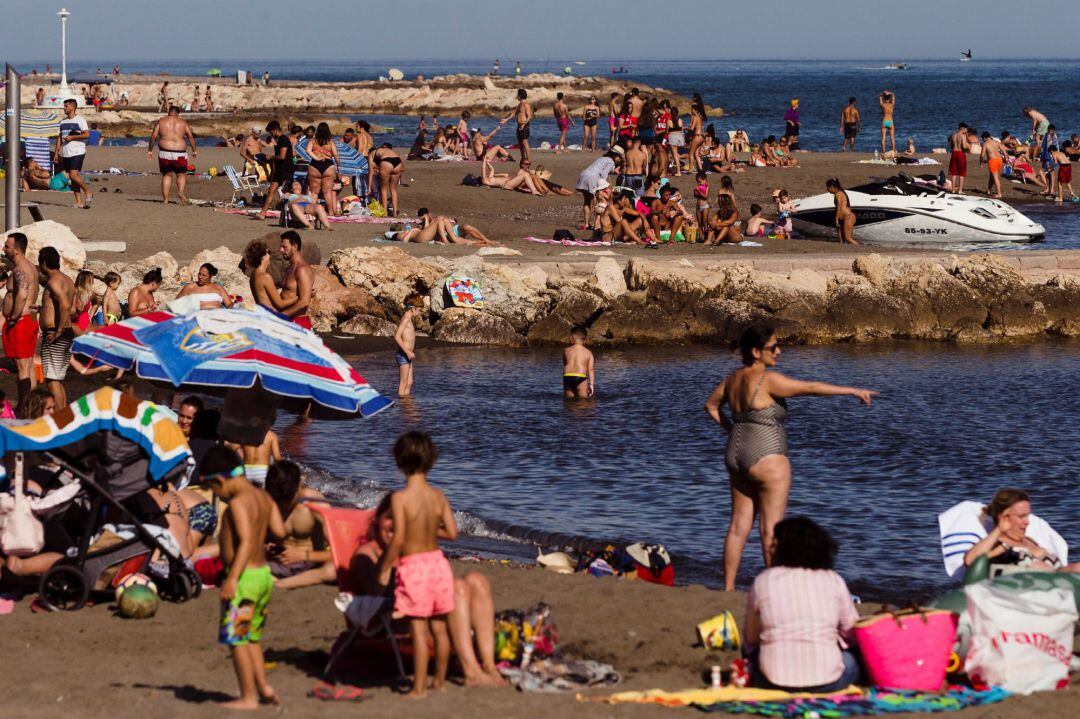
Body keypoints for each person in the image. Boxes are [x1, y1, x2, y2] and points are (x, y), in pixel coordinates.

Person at [704, 325, 877, 591]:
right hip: (767, 457)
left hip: (735, 454)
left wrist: (733, 430)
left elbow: (711, 406)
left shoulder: (732, 379)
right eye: (773, 347)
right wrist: (851, 390)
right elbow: (810, 387)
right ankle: (771, 589)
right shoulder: (767, 379)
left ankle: (728, 588)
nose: (779, 351)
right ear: (756, 352)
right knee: (770, 530)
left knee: (738, 526)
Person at [353, 494, 505, 686]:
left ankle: (489, 666)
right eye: (390, 517)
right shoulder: (366, 554)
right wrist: (390, 557)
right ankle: (471, 671)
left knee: (477, 580)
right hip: (396, 625)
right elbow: (375, 593)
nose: (394, 525)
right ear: (377, 519)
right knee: (457, 587)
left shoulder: (408, 553)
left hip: (425, 618)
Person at [198, 445, 285, 709]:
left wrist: (232, 578)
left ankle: (248, 697)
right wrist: (267, 542)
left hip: (244, 580)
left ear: (219, 480)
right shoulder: (263, 497)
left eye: (214, 490)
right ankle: (263, 687)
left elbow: (246, 541)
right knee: (252, 637)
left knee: (237, 638)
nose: (218, 496)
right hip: (262, 577)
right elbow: (279, 531)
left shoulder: (237, 503)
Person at [376, 432, 458, 699]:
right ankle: (439, 681)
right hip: (438, 563)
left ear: (399, 461)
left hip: (414, 566)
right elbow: (452, 533)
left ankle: (419, 687)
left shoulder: (400, 499)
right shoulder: (438, 495)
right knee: (439, 628)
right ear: (431, 461)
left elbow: (398, 538)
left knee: (419, 630)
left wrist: (385, 567)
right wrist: (428, 531)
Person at [744, 518, 861, 692]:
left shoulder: (764, 581)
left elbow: (751, 638)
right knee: (853, 659)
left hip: (772, 682)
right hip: (827, 682)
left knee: (753, 653)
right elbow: (852, 633)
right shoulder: (833, 580)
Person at [263, 460, 333, 587]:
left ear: (300, 486)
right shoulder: (268, 501)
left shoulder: (313, 504)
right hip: (275, 565)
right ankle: (281, 582)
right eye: (279, 500)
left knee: (333, 568)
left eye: (288, 499)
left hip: (310, 566)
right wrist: (265, 548)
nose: (284, 505)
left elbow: (338, 552)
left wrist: (303, 555)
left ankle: (281, 583)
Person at [2, 233, 41, 405]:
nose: (4, 249)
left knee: (22, 368)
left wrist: (13, 317)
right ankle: (33, 406)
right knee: (29, 365)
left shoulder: (19, 270)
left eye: (7, 246)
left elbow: (23, 294)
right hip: (29, 320)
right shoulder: (30, 266)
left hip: (21, 322)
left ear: (17, 250)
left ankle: (25, 407)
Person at [37, 247, 75, 408]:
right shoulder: (67, 280)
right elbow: (71, 308)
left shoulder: (53, 282)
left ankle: (59, 418)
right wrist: (42, 309)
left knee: (52, 381)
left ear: (44, 263)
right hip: (65, 333)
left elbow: (65, 306)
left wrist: (58, 331)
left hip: (56, 334)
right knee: (57, 380)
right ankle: (64, 414)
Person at [148, 106, 197, 204]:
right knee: (181, 174)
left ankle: (165, 200)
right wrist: (194, 150)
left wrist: (150, 150)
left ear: (169, 112)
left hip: (164, 153)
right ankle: (180, 192)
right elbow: (190, 136)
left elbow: (153, 136)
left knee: (167, 175)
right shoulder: (182, 122)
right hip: (180, 154)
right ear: (178, 114)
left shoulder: (161, 121)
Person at [55, 99, 92, 209]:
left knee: (73, 175)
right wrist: (57, 152)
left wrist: (72, 137)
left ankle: (88, 191)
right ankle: (79, 202)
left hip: (77, 151)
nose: (64, 108)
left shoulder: (80, 120)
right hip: (66, 153)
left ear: (72, 107)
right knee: (72, 178)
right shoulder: (62, 122)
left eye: (66, 106)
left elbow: (86, 135)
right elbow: (59, 138)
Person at [255, 121, 294, 221]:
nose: (271, 135)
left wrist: (270, 157)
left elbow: (282, 156)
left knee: (287, 193)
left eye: (271, 132)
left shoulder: (283, 139)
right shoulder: (280, 139)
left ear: (275, 130)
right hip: (279, 170)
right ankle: (262, 213)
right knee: (271, 190)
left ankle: (292, 214)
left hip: (286, 170)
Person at [278, 231, 313, 329]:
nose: (281, 250)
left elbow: (304, 301)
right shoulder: (290, 268)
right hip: (287, 319)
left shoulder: (302, 269)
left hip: (297, 322)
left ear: (295, 247)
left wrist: (281, 316)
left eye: (284, 247)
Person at [307, 122, 340, 214]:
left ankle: (311, 213)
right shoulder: (330, 141)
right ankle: (330, 212)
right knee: (327, 192)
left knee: (314, 192)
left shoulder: (313, 140)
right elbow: (336, 155)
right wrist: (339, 165)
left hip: (315, 165)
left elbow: (308, 151)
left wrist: (316, 158)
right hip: (328, 165)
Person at [395, 293, 423, 398]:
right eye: (419, 310)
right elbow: (397, 336)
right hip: (403, 355)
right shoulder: (406, 319)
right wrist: (407, 351)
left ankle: (407, 404)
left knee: (410, 382)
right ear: (412, 309)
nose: (420, 313)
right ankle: (402, 404)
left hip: (408, 356)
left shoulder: (409, 319)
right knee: (403, 382)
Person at [369, 144, 405, 216]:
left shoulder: (370, 154)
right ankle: (395, 212)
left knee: (384, 189)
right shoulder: (386, 151)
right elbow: (403, 168)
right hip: (398, 162)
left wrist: (369, 187)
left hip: (386, 162)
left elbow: (370, 172)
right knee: (393, 190)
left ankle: (385, 212)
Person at [562, 325, 595, 398]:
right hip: (580, 377)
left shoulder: (566, 350)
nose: (568, 338)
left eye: (569, 336)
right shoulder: (588, 353)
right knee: (582, 401)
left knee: (568, 401)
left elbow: (565, 364)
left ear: (573, 337)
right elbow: (591, 370)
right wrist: (591, 385)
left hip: (567, 377)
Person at [826, 178, 857, 244]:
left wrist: (836, 219)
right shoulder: (840, 193)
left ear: (832, 186)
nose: (827, 189)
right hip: (845, 217)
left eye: (828, 187)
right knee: (841, 238)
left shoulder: (838, 194)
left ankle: (860, 250)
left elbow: (839, 206)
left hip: (848, 217)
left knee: (848, 238)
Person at [506, 88, 533, 162]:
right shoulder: (519, 104)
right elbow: (514, 113)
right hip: (519, 126)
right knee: (520, 143)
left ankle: (529, 159)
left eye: (518, 95)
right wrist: (506, 120)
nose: (517, 96)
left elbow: (529, 116)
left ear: (520, 96)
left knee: (525, 142)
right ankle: (523, 158)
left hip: (524, 126)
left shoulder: (526, 105)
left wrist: (523, 124)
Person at [980, 131, 1007, 199]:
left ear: (985, 138)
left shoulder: (985, 144)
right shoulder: (996, 142)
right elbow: (1004, 151)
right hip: (999, 160)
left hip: (993, 161)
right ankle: (989, 190)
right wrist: (1006, 158)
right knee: (992, 176)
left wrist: (981, 162)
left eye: (983, 139)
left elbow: (982, 155)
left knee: (995, 177)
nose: (983, 140)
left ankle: (999, 193)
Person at [948, 123, 971, 194]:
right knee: (961, 173)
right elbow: (964, 146)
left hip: (954, 153)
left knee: (953, 172)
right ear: (963, 128)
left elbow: (950, 146)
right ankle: (960, 190)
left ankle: (953, 190)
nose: (966, 131)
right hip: (960, 153)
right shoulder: (963, 135)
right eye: (966, 129)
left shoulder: (953, 135)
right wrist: (969, 147)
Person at [878, 91, 896, 156]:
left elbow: (880, 96)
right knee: (892, 138)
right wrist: (889, 93)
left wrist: (883, 93)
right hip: (890, 121)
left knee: (883, 138)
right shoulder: (892, 104)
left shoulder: (883, 105)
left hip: (884, 121)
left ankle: (883, 153)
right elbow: (893, 95)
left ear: (884, 98)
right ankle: (893, 152)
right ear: (889, 98)